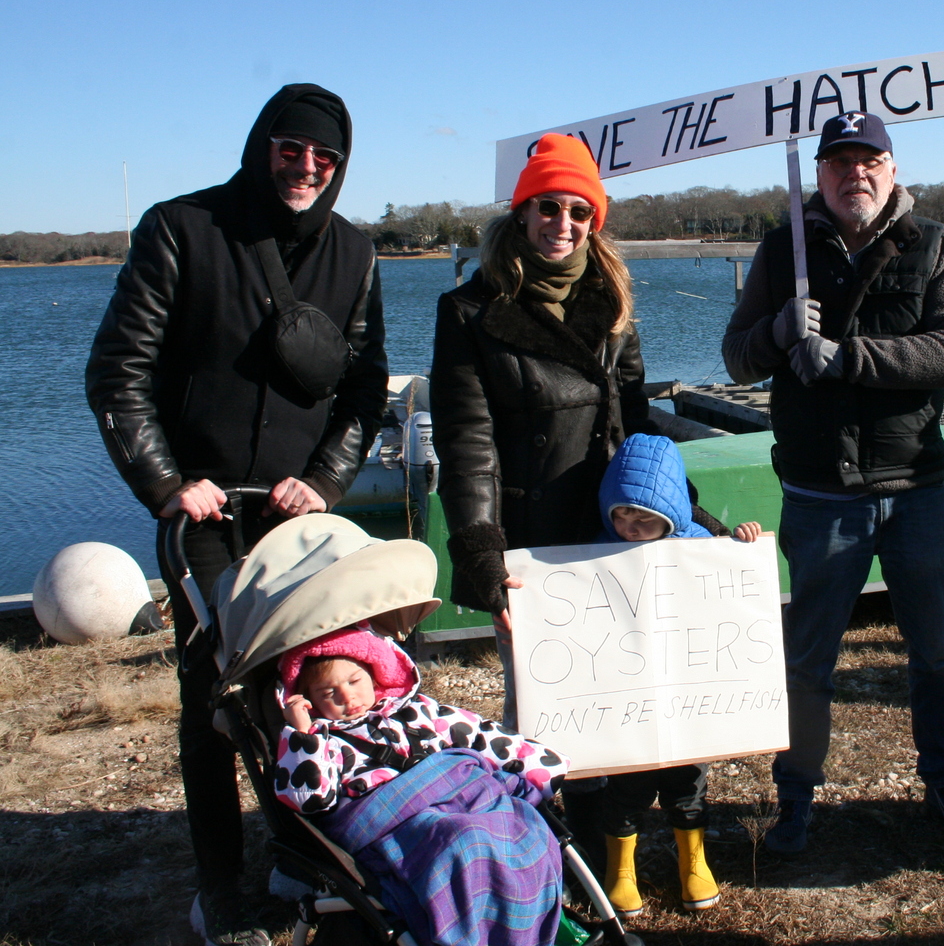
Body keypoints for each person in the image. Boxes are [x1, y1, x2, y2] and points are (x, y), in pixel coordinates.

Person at [85, 84, 387, 944]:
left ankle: (301, 847)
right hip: (206, 517)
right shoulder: (180, 229)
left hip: (297, 518)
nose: (306, 168)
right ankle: (220, 883)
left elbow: (365, 389)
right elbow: (119, 372)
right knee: (216, 698)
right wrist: (168, 482)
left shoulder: (356, 252)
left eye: (324, 158)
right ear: (263, 146)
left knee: (313, 686)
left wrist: (326, 482)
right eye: (291, 149)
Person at [720, 111, 944, 853]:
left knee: (936, 653)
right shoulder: (785, 250)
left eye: (869, 161)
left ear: (893, 171)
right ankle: (795, 798)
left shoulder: (935, 246)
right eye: (838, 164)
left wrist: (847, 358)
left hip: (914, 492)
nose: (854, 175)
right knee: (808, 662)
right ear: (819, 177)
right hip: (817, 497)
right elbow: (736, 356)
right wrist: (778, 332)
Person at [429, 133, 659, 872]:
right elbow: (468, 445)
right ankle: (525, 861)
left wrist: (682, 515)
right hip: (530, 545)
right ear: (522, 213)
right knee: (537, 711)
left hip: (609, 532)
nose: (563, 224)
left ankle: (597, 857)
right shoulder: (468, 311)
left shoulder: (613, 302)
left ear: (596, 220)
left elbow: (638, 426)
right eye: (547, 208)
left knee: (611, 702)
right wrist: (482, 556)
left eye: (579, 211)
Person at [274, 626, 572, 946]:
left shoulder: (417, 712)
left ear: (375, 676)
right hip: (398, 825)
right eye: (328, 693)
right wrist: (303, 735)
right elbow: (308, 799)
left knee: (518, 828)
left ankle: (517, 912)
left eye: (354, 682)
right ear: (310, 701)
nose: (347, 697)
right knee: (465, 844)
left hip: (462, 797)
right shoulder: (321, 741)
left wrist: (543, 767)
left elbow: (480, 734)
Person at [580, 432, 760, 915]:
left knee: (688, 783)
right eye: (622, 515)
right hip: (626, 700)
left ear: (672, 515)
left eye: (646, 519)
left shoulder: (702, 549)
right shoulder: (591, 556)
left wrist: (743, 546)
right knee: (626, 788)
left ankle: (693, 863)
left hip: (687, 696)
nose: (631, 528)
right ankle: (621, 873)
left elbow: (736, 595)